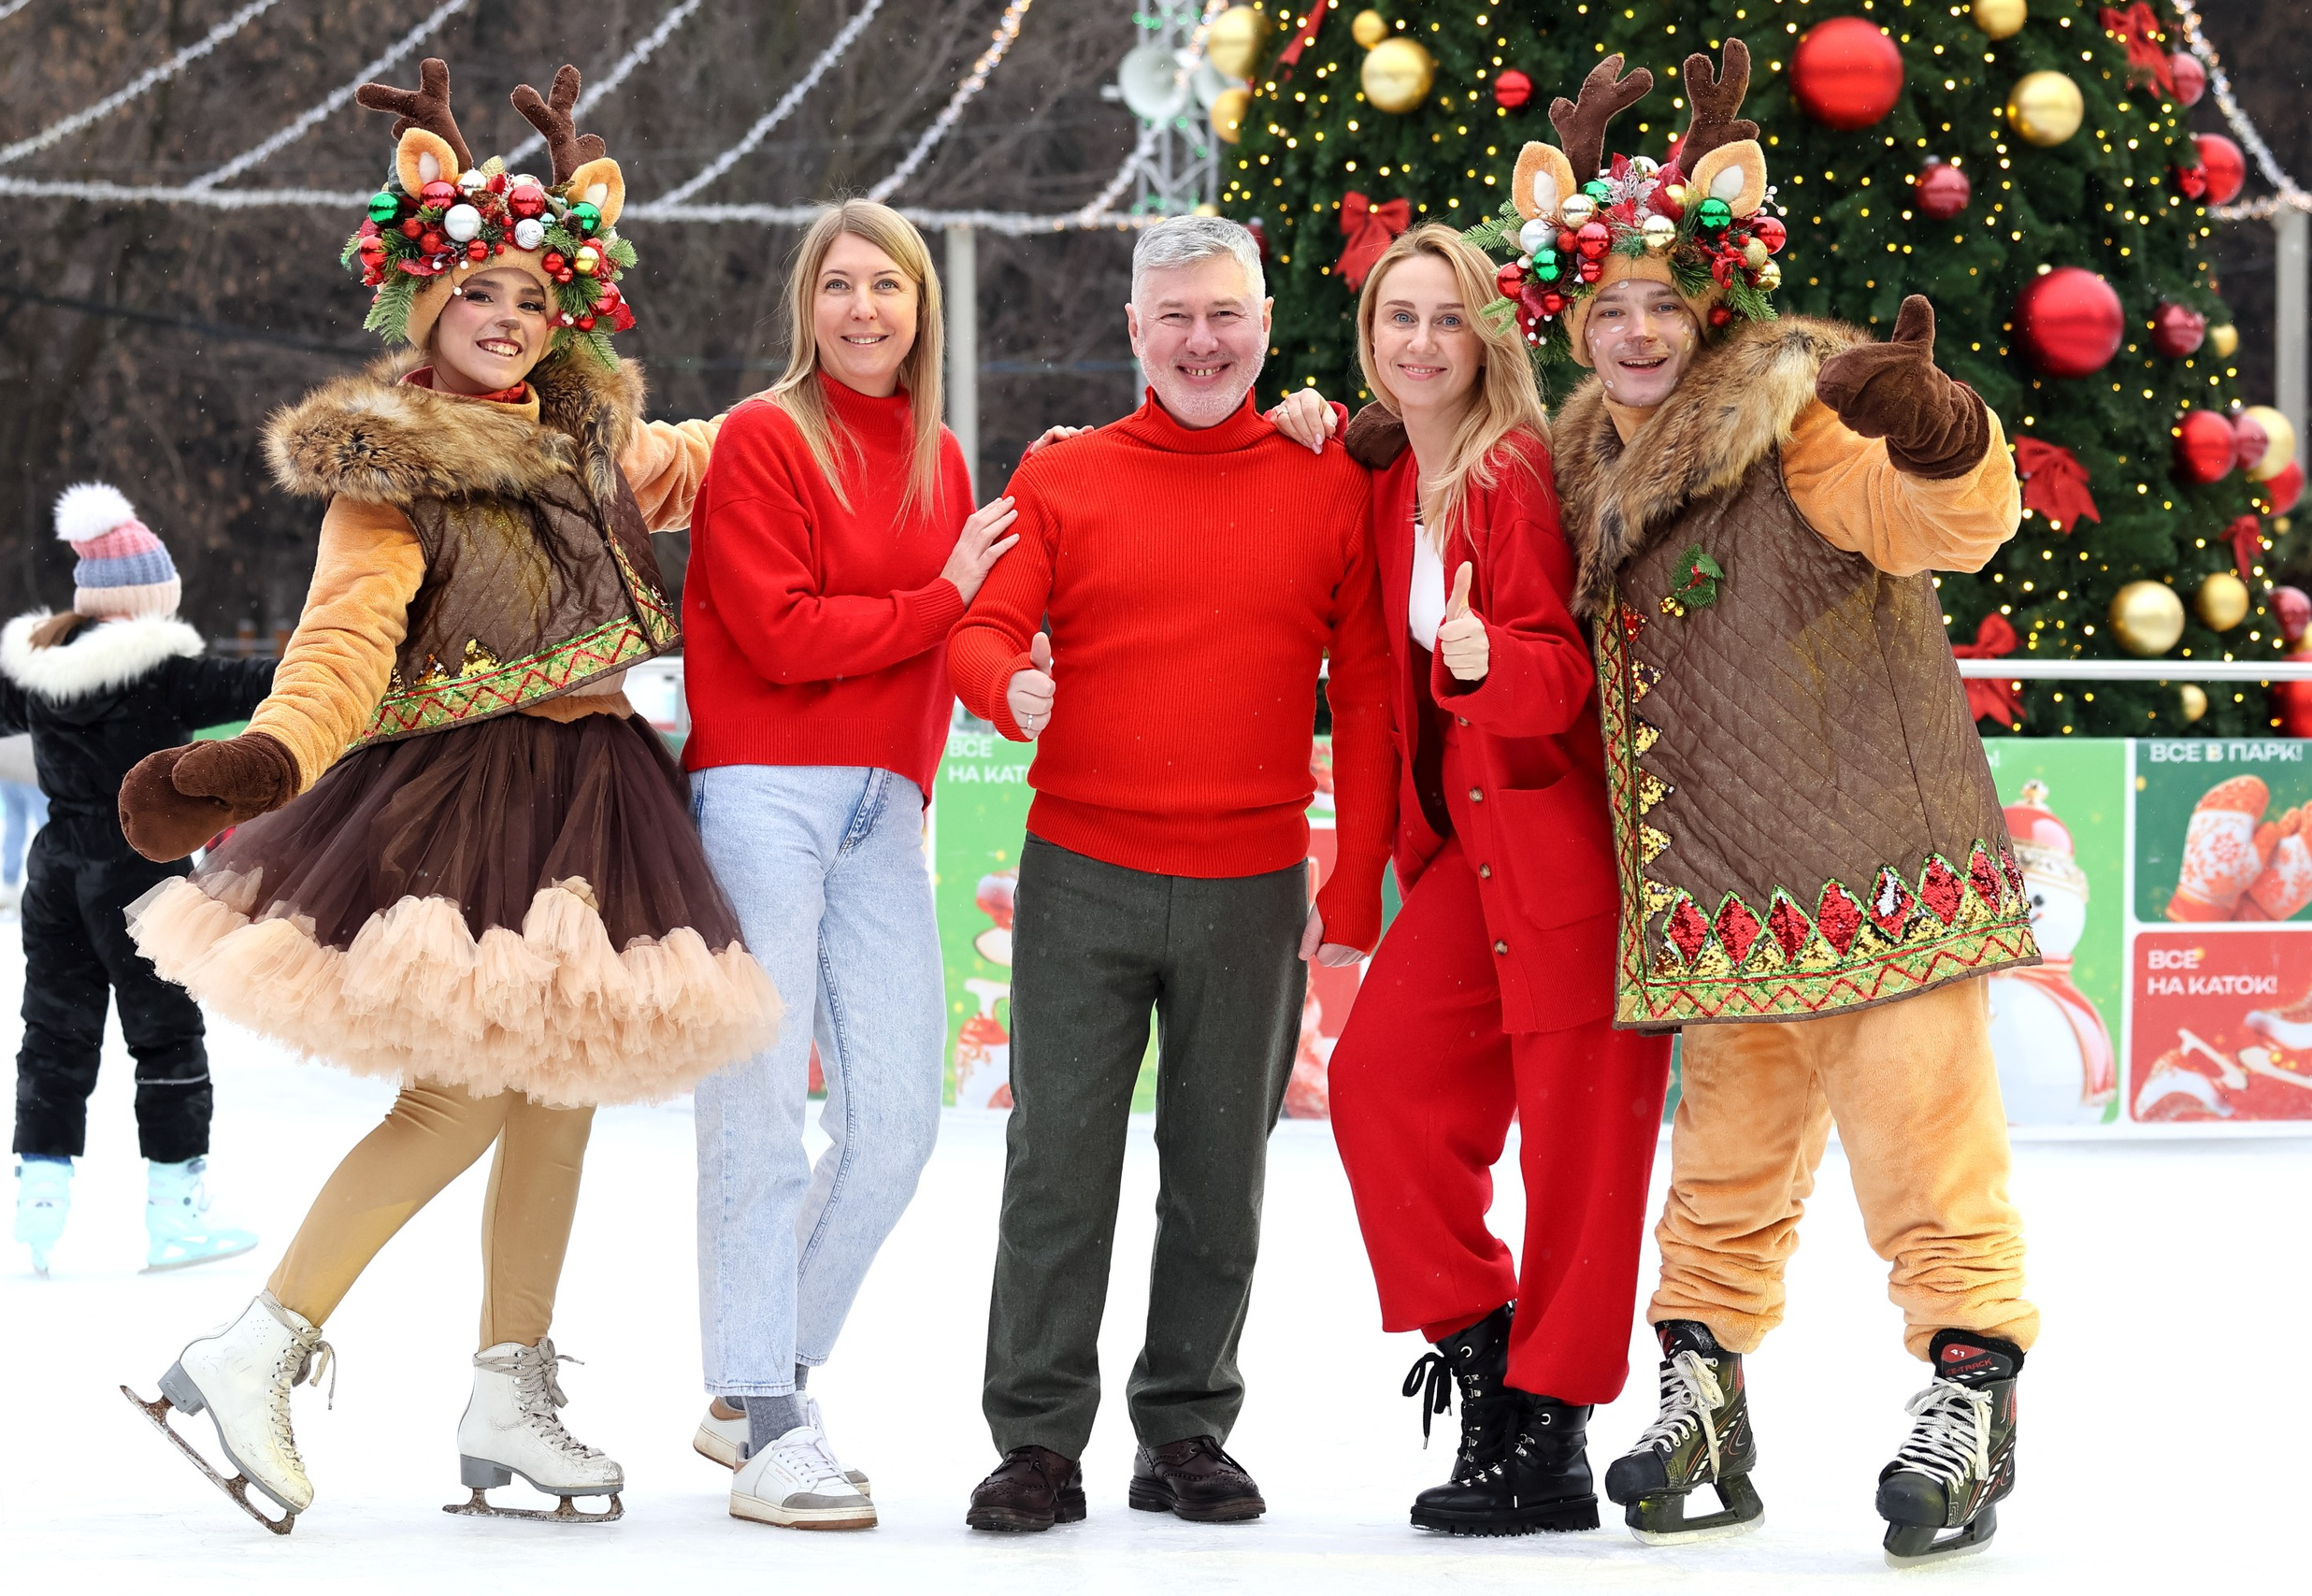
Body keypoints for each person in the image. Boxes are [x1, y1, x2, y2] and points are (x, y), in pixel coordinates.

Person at [111, 62, 780, 1529]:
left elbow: (735, 459)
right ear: (426, 305)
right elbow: (345, 636)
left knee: (561, 1088)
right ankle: (255, 1345)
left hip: (597, 787)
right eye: (481, 294)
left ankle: (508, 1385)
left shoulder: (601, 435)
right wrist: (267, 758)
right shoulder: (394, 465)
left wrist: (855, 405)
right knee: (461, 1091)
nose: (510, 320)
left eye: (536, 301)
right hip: (464, 798)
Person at [1484, 46, 2035, 1568]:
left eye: (1665, 301)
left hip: (1877, 875)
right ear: (1576, 322)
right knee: (1722, 1177)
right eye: (1611, 309)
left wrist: (1934, 427)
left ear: (1713, 301)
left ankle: (1970, 1391)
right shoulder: (1582, 460)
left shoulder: (1801, 422)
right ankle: (1703, 1396)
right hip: (1729, 903)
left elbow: (1946, 521)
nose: (1641, 329)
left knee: (1929, 1163)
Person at [947, 214, 1393, 1532]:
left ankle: (1186, 1422)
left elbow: (1366, 694)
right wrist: (1002, 680)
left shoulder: (1329, 481)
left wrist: (1353, 878)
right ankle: (1035, 1437)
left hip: (1251, 882)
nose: (1203, 341)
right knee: (1058, 1164)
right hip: (1082, 870)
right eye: (1176, 318)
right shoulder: (1066, 477)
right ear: (1134, 333)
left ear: (1265, 322)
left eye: (1226, 314)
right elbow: (979, 624)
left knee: (1220, 1170)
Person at [1265, 223, 1673, 1538]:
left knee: (1579, 1153)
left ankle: (1551, 1427)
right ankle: (1487, 1345)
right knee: (1382, 1081)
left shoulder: (1511, 473)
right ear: (1372, 334)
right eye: (1399, 318)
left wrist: (1494, 653)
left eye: (1448, 318)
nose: (1421, 342)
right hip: (1460, 857)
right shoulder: (1388, 471)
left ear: (1490, 332)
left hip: (1568, 854)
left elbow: (1558, 673)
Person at [682, 198, 1018, 1531]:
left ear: (922, 305)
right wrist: (941, 597)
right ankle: (770, 1413)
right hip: (763, 787)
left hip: (889, 801)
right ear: (806, 307)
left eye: (889, 285)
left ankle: (750, 1379)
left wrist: (993, 650)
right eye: (840, 287)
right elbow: (777, 633)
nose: (865, 308)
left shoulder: (940, 455)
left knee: (895, 1124)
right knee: (757, 1106)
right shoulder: (765, 438)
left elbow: (956, 631)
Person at [0, 484, 272, 1275]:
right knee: (167, 1034)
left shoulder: (41, 675)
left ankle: (39, 1200)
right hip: (143, 880)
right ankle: (175, 1210)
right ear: (150, 603)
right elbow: (262, 681)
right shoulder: (167, 673)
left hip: (56, 874)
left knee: (54, 1032)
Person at [0, 732, 48, 916]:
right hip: (32, 762)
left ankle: (8, 886)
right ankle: (47, 884)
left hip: (3, 758)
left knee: (14, 823)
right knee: (46, 825)